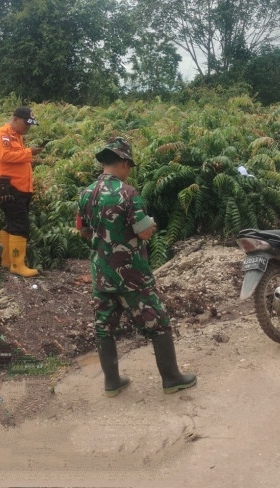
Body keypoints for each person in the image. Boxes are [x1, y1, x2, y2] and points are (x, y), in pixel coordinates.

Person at [77, 137, 196, 397]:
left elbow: (84, 232)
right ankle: (172, 378)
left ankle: (112, 383)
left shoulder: (85, 193)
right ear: (121, 162)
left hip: (101, 274)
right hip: (131, 275)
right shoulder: (128, 193)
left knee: (104, 326)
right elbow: (143, 233)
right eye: (129, 164)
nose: (129, 169)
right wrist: (150, 226)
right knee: (158, 321)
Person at [0, 106, 44, 277]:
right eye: (25, 124)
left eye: (30, 125)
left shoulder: (17, 137)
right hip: (9, 188)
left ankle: (7, 261)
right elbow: (5, 156)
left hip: (20, 189)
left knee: (12, 225)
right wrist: (29, 152)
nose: (27, 128)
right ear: (14, 119)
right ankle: (17, 264)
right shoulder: (1, 135)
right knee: (20, 225)